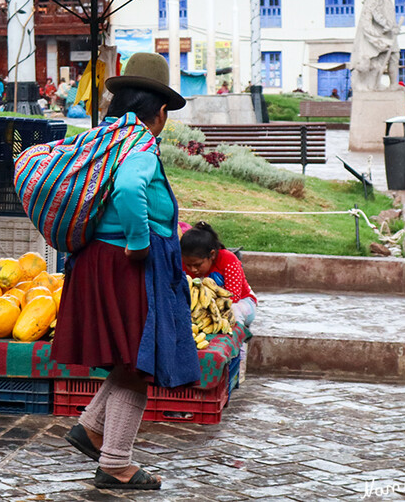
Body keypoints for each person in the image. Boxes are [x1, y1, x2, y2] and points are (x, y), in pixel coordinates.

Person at [54, 52, 196, 492]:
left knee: (130, 358)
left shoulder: (108, 137)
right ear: (161, 112)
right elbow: (132, 188)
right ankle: (116, 463)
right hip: (125, 264)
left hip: (98, 260)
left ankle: (92, 427)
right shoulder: (140, 147)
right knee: (141, 362)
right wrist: (138, 244)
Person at [181, 222, 257, 327]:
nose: (193, 269)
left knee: (233, 312)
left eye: (197, 265)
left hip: (241, 302)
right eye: (188, 265)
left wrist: (210, 307)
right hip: (204, 308)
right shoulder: (184, 263)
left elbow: (233, 297)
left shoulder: (228, 260)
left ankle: (236, 338)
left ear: (212, 254)